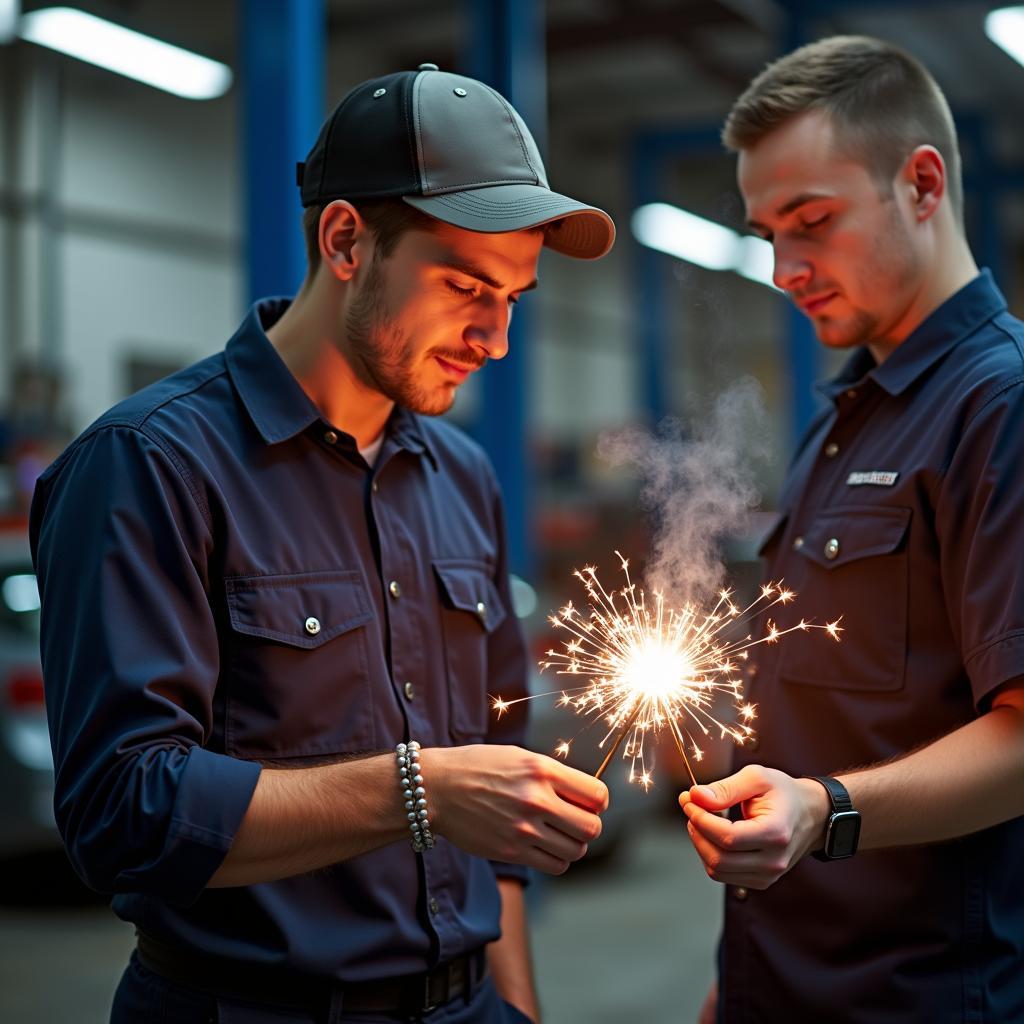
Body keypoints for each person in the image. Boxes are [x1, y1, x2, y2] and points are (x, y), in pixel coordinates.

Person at [30, 64, 615, 1024]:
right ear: (346, 239)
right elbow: (122, 814)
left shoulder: (462, 475)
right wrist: (419, 791)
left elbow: (501, 790)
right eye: (467, 285)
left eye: (515, 296)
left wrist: (515, 1006)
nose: (495, 338)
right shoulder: (151, 466)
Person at [678, 35, 1024, 1023]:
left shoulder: (997, 406)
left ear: (920, 184)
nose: (785, 267)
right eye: (764, 232)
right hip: (784, 979)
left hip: (919, 993)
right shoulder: (847, 417)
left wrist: (824, 811)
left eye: (812, 221)